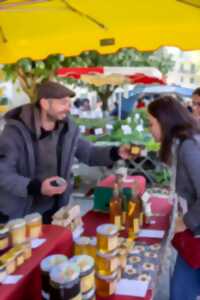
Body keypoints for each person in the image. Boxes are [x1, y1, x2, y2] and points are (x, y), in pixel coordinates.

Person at [0, 81, 131, 223]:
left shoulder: (68, 129)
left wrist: (116, 152)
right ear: (44, 103)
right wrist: (37, 187)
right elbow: (4, 173)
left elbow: (89, 153)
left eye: (69, 103)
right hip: (22, 214)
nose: (68, 108)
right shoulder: (15, 132)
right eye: (63, 103)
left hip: (57, 211)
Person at [147, 95, 200, 300]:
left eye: (151, 123)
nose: (150, 129)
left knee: (181, 292)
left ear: (164, 122)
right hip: (194, 232)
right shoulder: (183, 144)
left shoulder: (189, 147)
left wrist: (185, 221)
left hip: (195, 231)